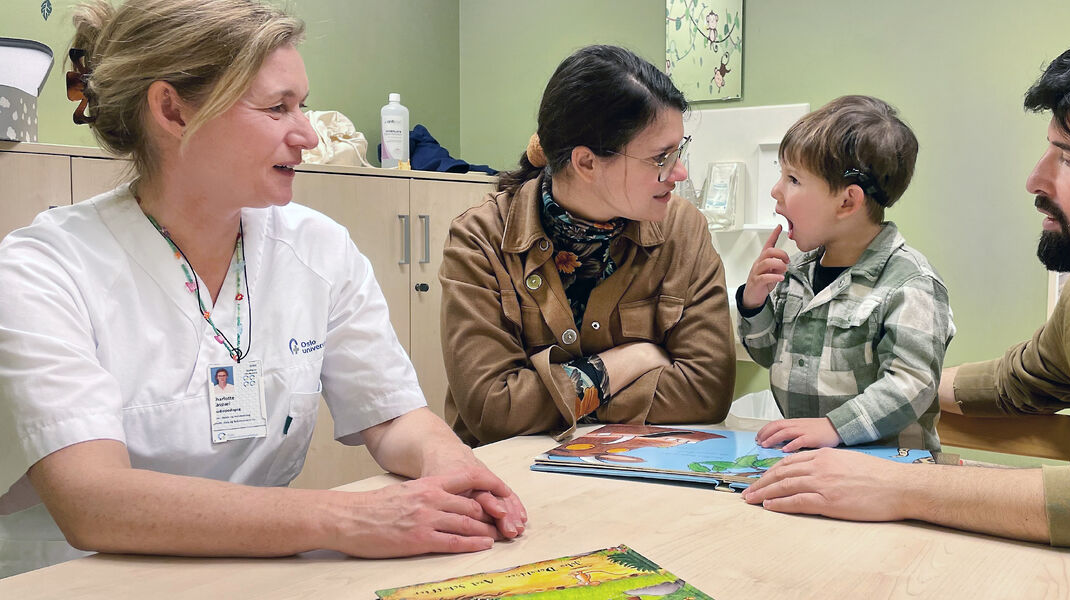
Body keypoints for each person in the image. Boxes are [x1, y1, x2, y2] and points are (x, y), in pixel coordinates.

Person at [743, 30, 1070, 598]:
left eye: (1068, 158)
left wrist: (901, 484)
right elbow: (1017, 381)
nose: (1035, 179)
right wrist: (884, 387)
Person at [0, 0, 524, 578]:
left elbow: (395, 417)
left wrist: (452, 470)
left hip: (260, 572)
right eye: (278, 108)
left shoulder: (318, 249)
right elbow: (93, 501)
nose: (307, 134)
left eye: (302, 105)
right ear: (171, 110)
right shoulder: (44, 269)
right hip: (76, 579)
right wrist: (349, 518)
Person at [440, 45, 735, 446]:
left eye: (679, 150)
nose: (679, 172)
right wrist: (628, 361)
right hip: (502, 480)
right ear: (587, 163)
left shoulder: (683, 229)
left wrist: (559, 397)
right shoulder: (482, 238)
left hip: (632, 471)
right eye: (661, 157)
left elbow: (706, 394)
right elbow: (493, 411)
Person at [737, 95, 954, 453]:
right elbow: (765, 355)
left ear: (847, 202)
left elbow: (911, 383)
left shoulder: (910, 283)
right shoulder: (797, 273)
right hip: (809, 463)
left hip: (890, 474)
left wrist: (833, 427)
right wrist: (754, 302)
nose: (775, 191)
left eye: (792, 179)